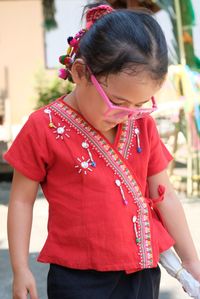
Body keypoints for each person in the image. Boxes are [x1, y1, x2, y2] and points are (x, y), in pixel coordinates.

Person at [4, 1, 200, 299]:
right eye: (118, 103)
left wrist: (190, 259)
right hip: (79, 279)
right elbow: (20, 201)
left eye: (141, 104)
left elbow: (165, 195)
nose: (129, 113)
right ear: (81, 73)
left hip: (143, 271)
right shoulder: (43, 126)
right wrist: (20, 268)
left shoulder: (141, 125)